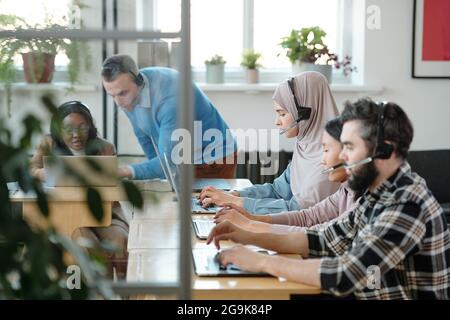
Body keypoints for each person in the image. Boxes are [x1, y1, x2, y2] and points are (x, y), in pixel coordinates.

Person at [207, 98, 450, 299]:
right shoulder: (379, 192)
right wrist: (246, 235)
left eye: (350, 147)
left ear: (383, 150)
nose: (342, 156)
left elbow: (346, 274)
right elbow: (324, 239)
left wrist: (260, 261)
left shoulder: (407, 204)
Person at [199, 71, 340, 213]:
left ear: (305, 114)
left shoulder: (329, 158)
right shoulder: (305, 145)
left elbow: (298, 211)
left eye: (282, 114)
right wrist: (234, 194)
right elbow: (278, 190)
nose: (277, 121)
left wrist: (236, 202)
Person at [30, 101, 129, 279]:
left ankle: (123, 293)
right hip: (68, 213)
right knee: (87, 244)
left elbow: (113, 186)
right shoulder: (49, 144)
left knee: (119, 239)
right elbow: (31, 170)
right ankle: (98, 293)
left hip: (104, 213)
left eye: (82, 127)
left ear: (90, 127)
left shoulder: (105, 147)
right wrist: (43, 172)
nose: (76, 135)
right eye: (68, 129)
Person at [101, 54, 237, 180]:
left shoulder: (171, 99)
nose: (118, 102)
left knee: (207, 204)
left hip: (214, 159)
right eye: (112, 95)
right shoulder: (127, 95)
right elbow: (143, 135)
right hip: (184, 158)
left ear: (139, 81)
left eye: (122, 93)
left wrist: (124, 171)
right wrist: (159, 173)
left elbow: (169, 161)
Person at [214, 117, 357, 233]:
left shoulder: (365, 202)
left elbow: (322, 234)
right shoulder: (345, 191)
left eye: (282, 113)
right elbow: (307, 217)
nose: (321, 160)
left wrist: (251, 223)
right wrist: (249, 217)